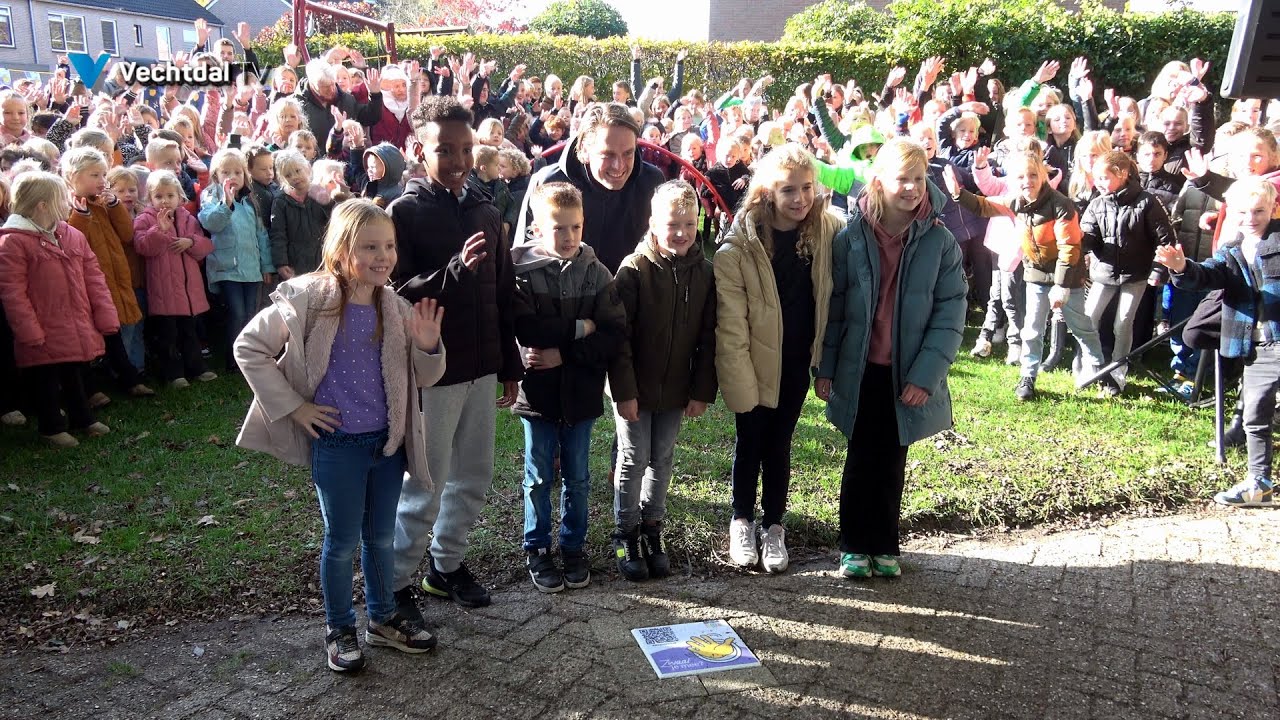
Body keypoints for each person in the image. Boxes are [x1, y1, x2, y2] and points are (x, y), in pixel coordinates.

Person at [234, 199, 446, 672]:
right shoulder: (308, 298)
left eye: (388, 246)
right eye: (370, 246)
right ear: (341, 249)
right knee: (343, 541)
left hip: (387, 445)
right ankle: (339, 628)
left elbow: (424, 377)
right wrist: (295, 406)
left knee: (380, 539)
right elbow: (248, 346)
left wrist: (429, 346)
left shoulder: (396, 306)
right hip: (337, 445)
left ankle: (383, 618)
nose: (383, 256)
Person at [389, 96, 521, 618]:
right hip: (434, 374)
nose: (459, 160)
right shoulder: (405, 213)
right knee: (424, 483)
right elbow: (396, 293)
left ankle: (445, 567)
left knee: (474, 476)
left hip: (482, 370)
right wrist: (453, 273)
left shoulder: (487, 211)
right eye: (445, 149)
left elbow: (503, 292)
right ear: (419, 149)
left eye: (466, 148)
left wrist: (508, 364)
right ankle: (395, 586)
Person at [816, 138, 967, 579]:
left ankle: (885, 542)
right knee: (861, 457)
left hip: (907, 372)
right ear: (878, 183)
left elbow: (950, 312)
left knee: (892, 460)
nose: (912, 188)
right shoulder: (851, 239)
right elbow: (837, 309)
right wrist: (826, 368)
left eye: (919, 179)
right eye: (902, 179)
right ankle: (854, 544)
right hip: (859, 368)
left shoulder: (940, 242)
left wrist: (927, 375)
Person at [714, 143, 843, 572]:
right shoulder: (741, 246)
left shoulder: (825, 230)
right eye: (788, 190)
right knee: (750, 441)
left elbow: (872, 220)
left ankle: (774, 525)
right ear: (767, 191)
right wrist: (739, 379)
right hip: (752, 361)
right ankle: (741, 519)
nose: (800, 199)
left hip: (795, 361)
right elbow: (730, 326)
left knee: (780, 442)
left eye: (807, 188)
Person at [511, 182, 626, 592]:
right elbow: (526, 326)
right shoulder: (521, 272)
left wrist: (566, 353)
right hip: (538, 395)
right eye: (558, 228)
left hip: (580, 393)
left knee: (578, 476)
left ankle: (573, 545)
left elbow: (612, 333)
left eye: (576, 227)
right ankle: (537, 547)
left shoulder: (597, 273)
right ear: (538, 228)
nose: (569, 237)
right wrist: (581, 328)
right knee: (539, 475)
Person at [608, 180, 717, 581]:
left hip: (675, 389)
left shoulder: (705, 273)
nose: (681, 233)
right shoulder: (634, 271)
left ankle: (653, 528)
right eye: (672, 224)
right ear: (654, 224)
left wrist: (701, 390)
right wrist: (624, 392)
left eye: (689, 224)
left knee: (662, 458)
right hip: (634, 388)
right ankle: (626, 531)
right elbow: (618, 340)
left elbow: (709, 336)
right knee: (633, 458)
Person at [1154, 178, 1279, 507]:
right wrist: (1181, 267)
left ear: (1272, 209)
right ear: (1231, 212)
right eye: (1243, 212)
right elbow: (1208, 274)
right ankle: (1259, 482)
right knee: (1254, 414)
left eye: (1259, 211)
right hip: (1259, 346)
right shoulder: (1232, 251)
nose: (1250, 218)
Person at [947, 150, 1110, 400]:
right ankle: (1028, 377)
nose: (1027, 181)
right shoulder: (1017, 201)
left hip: (1068, 278)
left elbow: (1070, 247)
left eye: (1033, 175)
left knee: (1082, 328)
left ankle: (1101, 373)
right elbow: (985, 205)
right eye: (1021, 176)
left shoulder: (1061, 205)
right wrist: (959, 194)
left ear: (1043, 175)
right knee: (1032, 330)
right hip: (1036, 275)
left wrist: (1062, 285)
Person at [0, 171, 118, 447]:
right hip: (41, 325)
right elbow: (12, 293)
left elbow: (94, 277)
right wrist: (29, 330)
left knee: (74, 371)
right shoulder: (13, 242)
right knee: (45, 379)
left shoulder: (71, 235)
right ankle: (51, 426)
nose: (68, 203)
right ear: (42, 205)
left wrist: (104, 314)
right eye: (62, 199)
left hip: (73, 321)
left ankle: (83, 418)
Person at [516, 102, 664, 274]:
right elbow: (524, 259)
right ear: (584, 150)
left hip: (628, 292)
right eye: (607, 154)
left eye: (628, 153)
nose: (619, 166)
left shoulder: (651, 183)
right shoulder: (548, 183)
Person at [1080, 149, 1176, 394]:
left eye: (1103, 178)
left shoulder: (1147, 202)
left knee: (1123, 323)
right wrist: (1079, 241)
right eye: (1096, 178)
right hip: (1104, 272)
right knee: (1089, 318)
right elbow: (1089, 236)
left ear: (1122, 174)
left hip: (1136, 274)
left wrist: (1158, 270)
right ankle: (1088, 367)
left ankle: (1117, 372)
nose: (1099, 184)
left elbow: (1165, 238)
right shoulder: (1096, 204)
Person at [63, 146, 155, 399]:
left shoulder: (103, 204)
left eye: (103, 175)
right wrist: (80, 215)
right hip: (86, 282)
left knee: (114, 329)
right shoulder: (66, 206)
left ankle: (129, 379)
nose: (102, 181)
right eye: (95, 175)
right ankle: (93, 387)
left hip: (114, 278)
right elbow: (72, 243)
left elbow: (127, 234)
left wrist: (115, 206)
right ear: (74, 176)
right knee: (92, 333)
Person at [133, 170, 216, 388]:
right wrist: (158, 231)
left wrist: (190, 242)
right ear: (150, 198)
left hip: (188, 291)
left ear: (179, 196)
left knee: (189, 332)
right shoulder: (145, 219)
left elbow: (205, 245)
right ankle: (173, 373)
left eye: (170, 195)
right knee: (167, 336)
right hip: (164, 290)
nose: (165, 201)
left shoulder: (187, 218)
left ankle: (196, 367)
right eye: (158, 196)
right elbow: (142, 246)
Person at [199, 149, 274, 371]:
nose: (232, 176)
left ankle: (248, 357)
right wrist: (226, 204)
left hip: (251, 269)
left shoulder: (250, 200)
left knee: (250, 313)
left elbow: (261, 234)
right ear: (216, 175)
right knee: (237, 312)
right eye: (226, 172)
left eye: (238, 172)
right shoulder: (212, 196)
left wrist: (266, 265)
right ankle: (233, 360)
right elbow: (210, 223)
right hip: (227, 267)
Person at [270, 149, 332, 279]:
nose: (294, 177)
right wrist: (281, 263)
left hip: (323, 258)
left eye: (298, 171)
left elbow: (334, 222)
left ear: (307, 168)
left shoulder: (320, 192)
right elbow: (278, 234)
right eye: (288, 175)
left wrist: (328, 201)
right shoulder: (281, 201)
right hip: (296, 262)